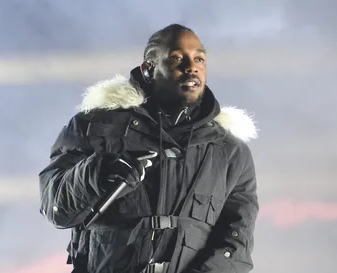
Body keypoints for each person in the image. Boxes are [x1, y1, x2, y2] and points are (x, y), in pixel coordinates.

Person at [39, 24, 259, 273]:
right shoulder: (93, 127)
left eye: (199, 59)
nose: (192, 67)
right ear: (148, 68)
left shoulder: (230, 153)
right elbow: (55, 207)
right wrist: (97, 173)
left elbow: (236, 244)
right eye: (177, 58)